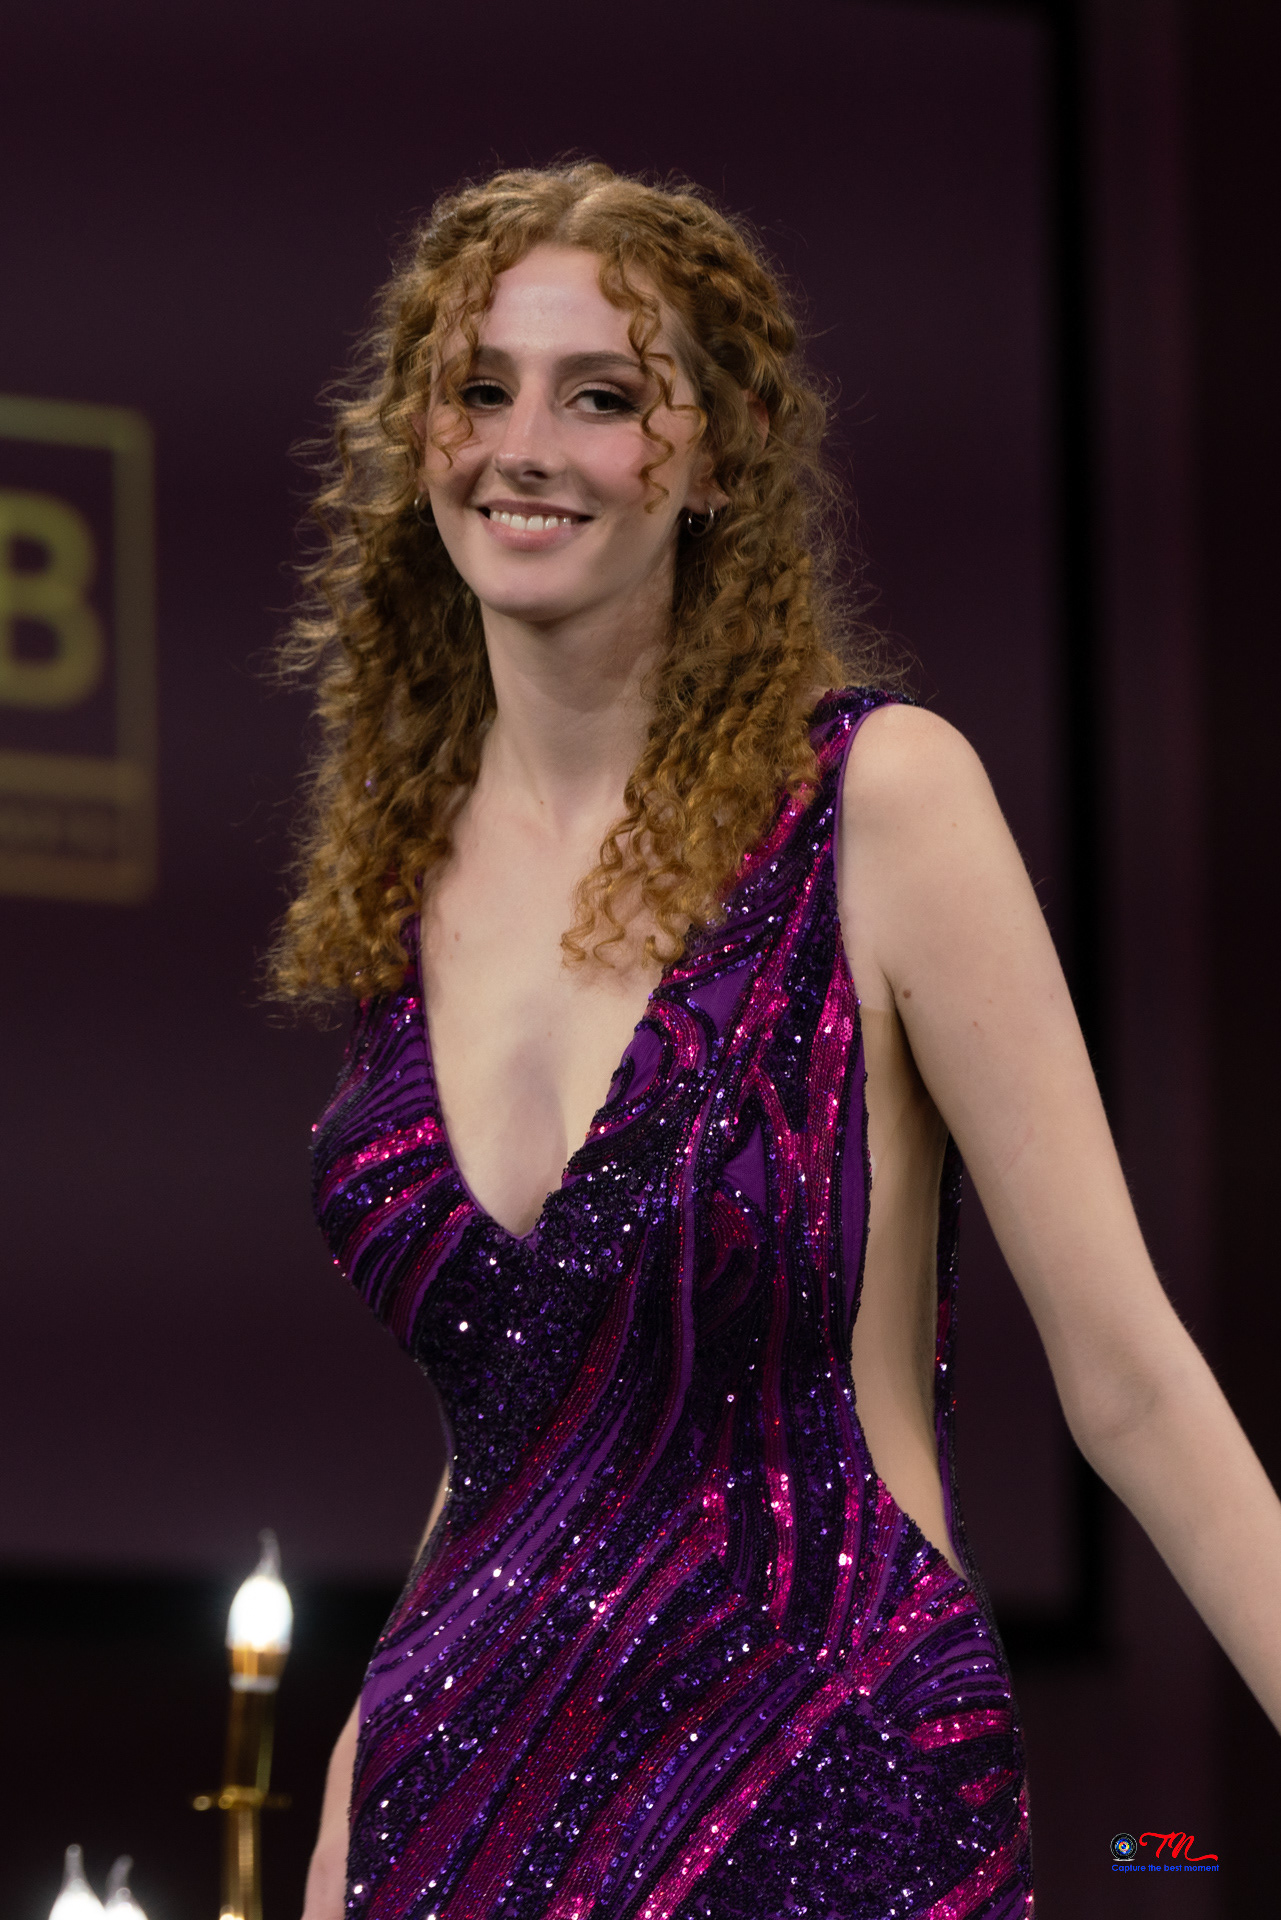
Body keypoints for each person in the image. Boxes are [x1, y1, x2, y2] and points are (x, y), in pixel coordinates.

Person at [276, 163, 1280, 1920]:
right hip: (458, 1810)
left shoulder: (877, 802)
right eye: (479, 388)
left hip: (823, 1779)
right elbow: (528, 1414)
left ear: (720, 458)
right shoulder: (402, 868)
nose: (524, 446)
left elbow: (1125, 1380)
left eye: (602, 397)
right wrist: (349, 1805)